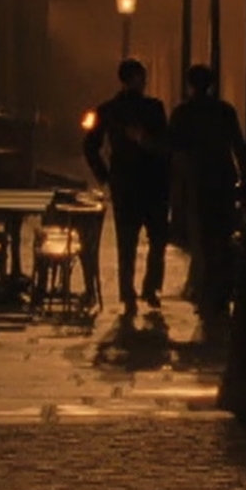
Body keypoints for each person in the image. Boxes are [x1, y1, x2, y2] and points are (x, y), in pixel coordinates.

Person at [83, 58, 171, 316]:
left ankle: (137, 289)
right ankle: (142, 289)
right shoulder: (146, 108)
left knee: (137, 240)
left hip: (132, 182)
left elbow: (90, 145)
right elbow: (165, 143)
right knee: (146, 239)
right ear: (132, 79)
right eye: (141, 77)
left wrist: (105, 176)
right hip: (144, 182)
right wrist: (106, 177)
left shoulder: (112, 109)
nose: (144, 82)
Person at [168, 64, 245, 320]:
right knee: (222, 238)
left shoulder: (182, 113)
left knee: (200, 240)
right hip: (222, 181)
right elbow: (238, 146)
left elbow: (174, 150)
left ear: (189, 85)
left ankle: (205, 292)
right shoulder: (225, 111)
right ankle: (219, 291)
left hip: (196, 183)